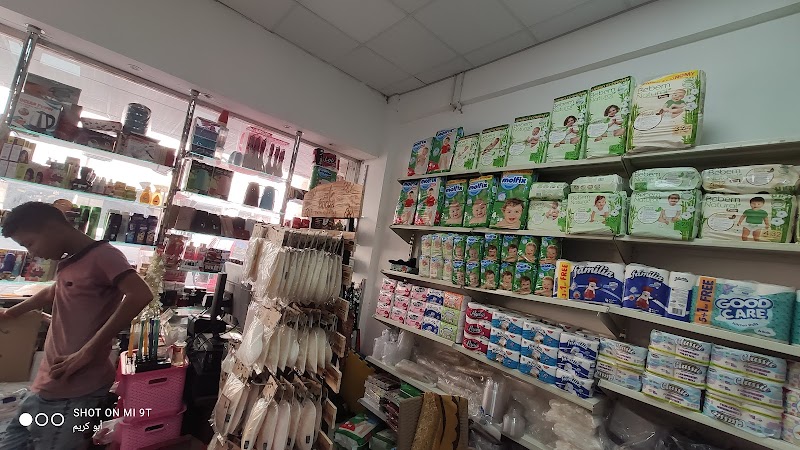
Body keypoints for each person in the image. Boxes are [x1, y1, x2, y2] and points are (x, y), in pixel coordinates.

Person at [0, 202, 152, 450]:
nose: (32, 253)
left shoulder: (104, 255)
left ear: (52, 228)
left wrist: (87, 352)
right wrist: (11, 312)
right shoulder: (70, 262)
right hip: (46, 385)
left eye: (30, 243)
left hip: (75, 389)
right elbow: (52, 292)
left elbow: (140, 293)